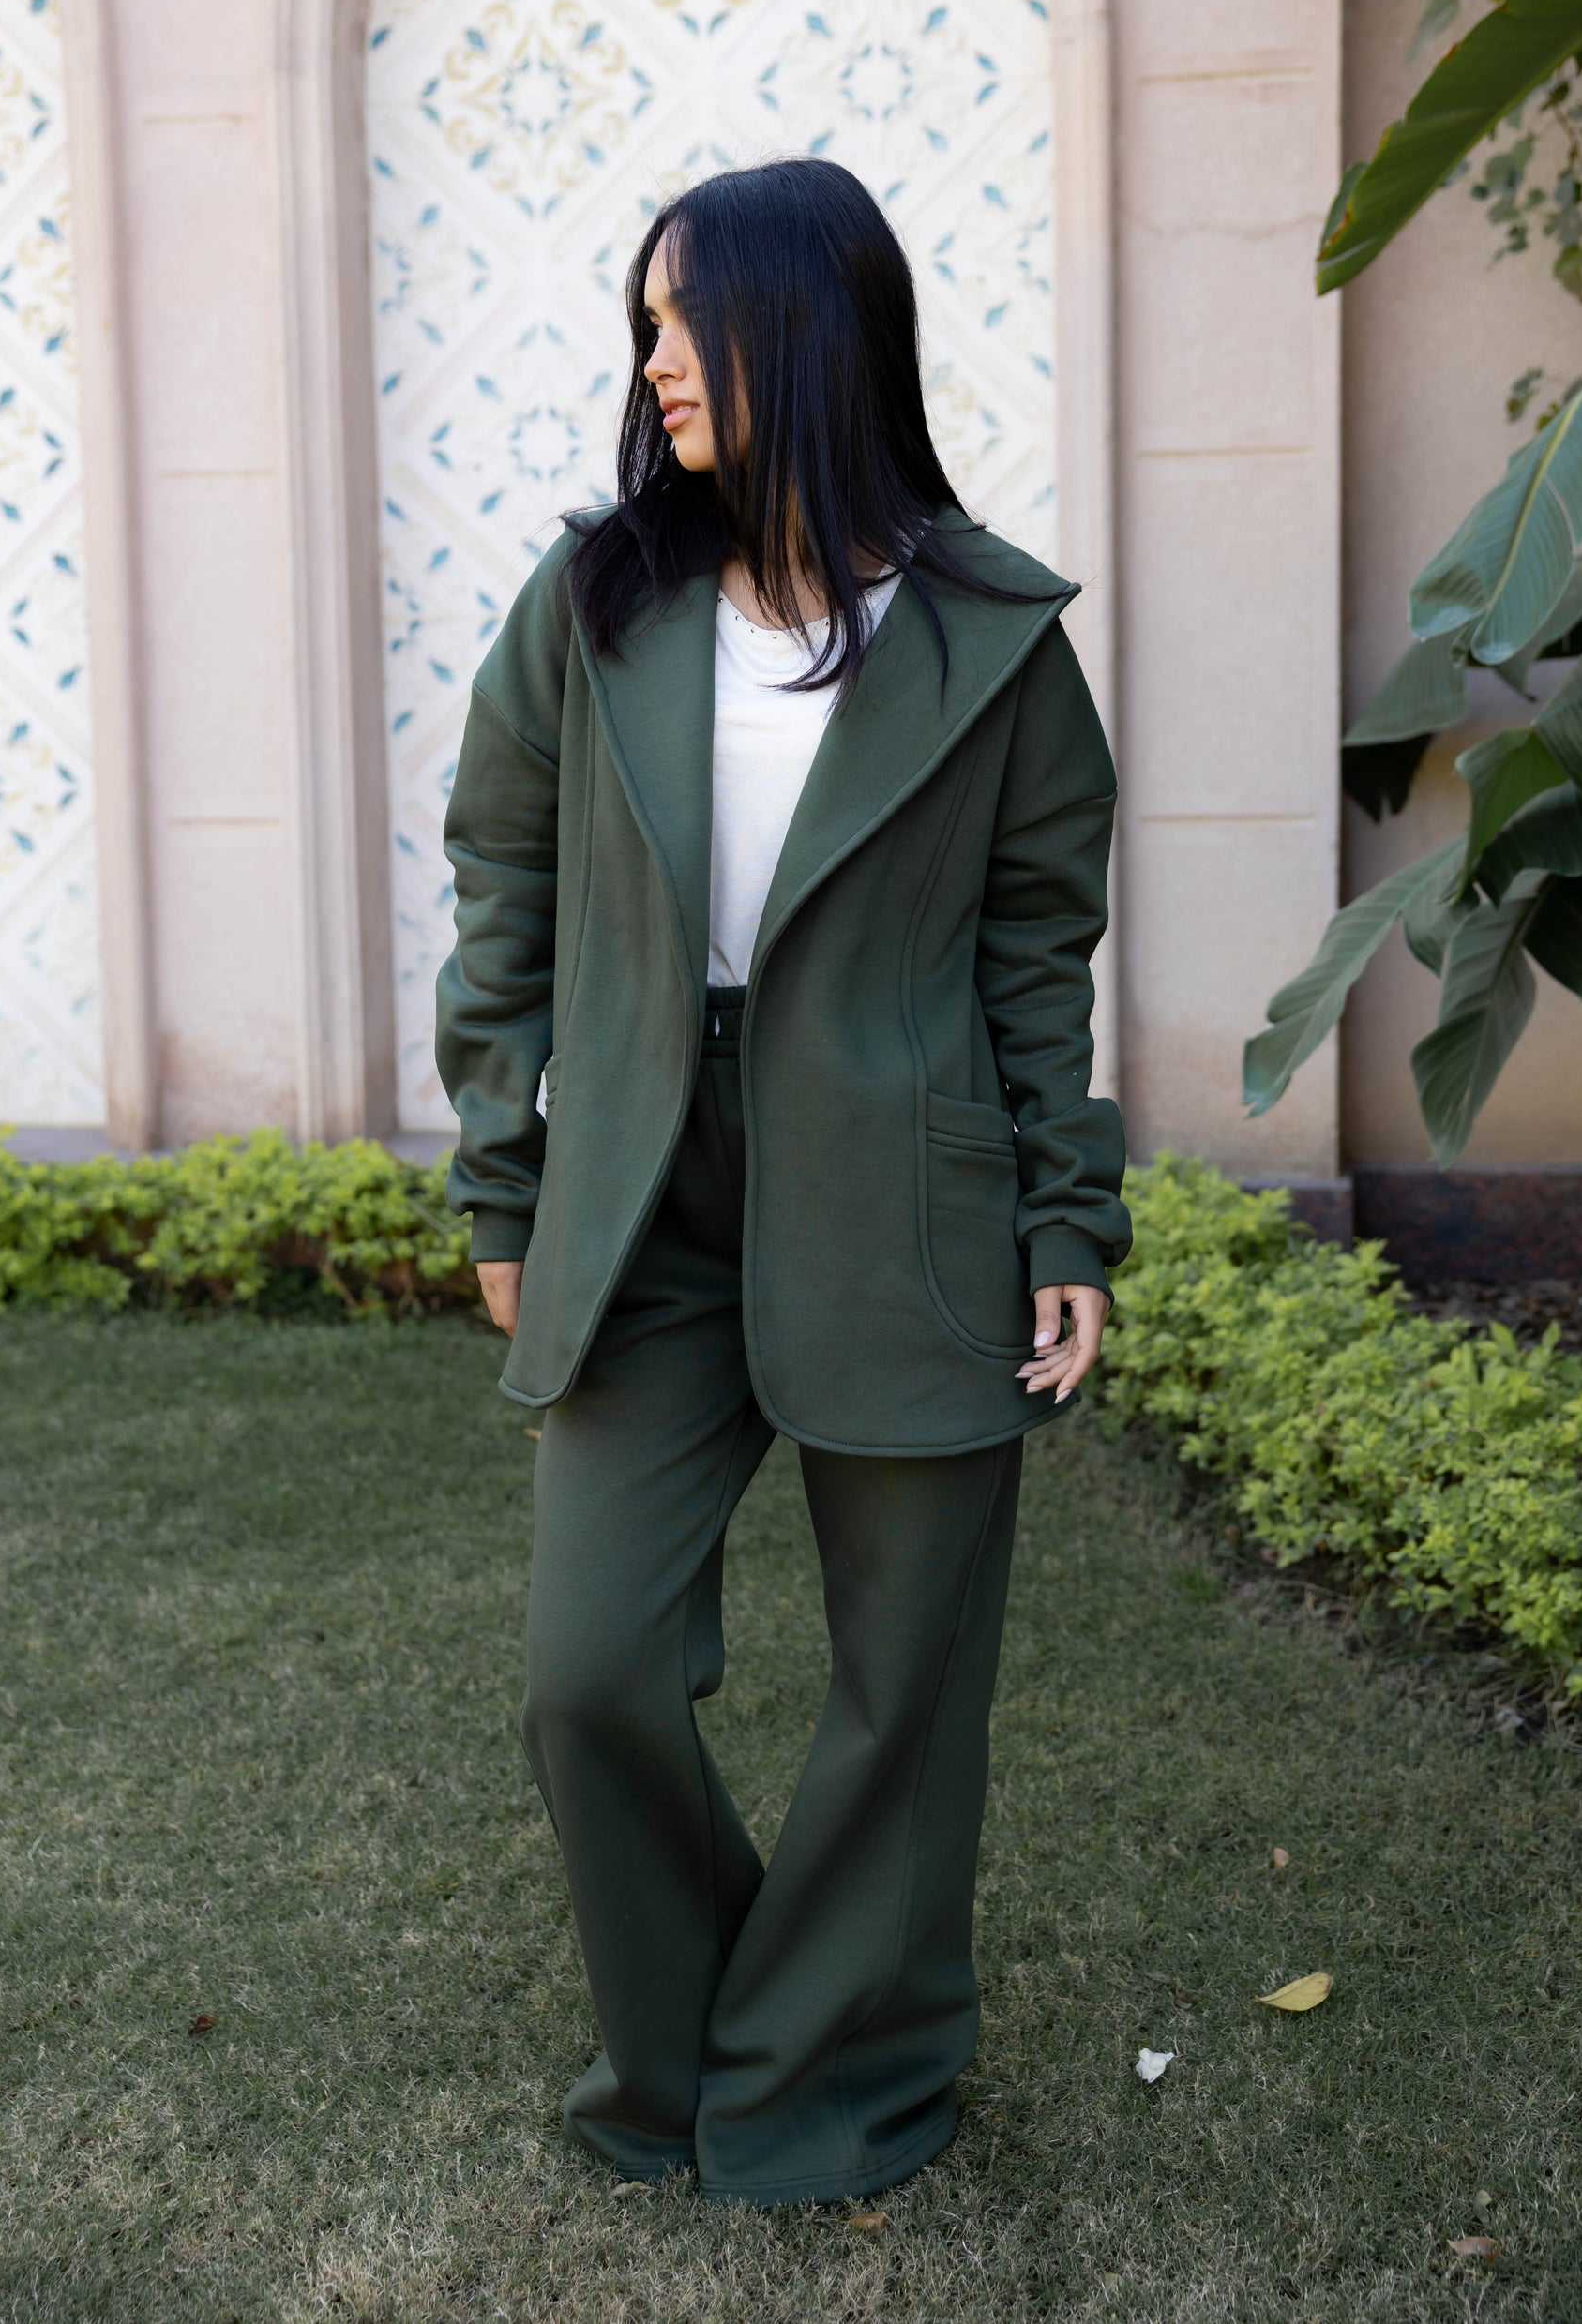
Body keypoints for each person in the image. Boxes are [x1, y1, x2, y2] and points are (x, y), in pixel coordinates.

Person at [436, 156, 1129, 2207]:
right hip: (641, 1183)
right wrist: (502, 1177)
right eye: (640, 327)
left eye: (685, 322)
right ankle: (690, 2056)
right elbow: (500, 891)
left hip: (907, 1190)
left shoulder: (993, 634)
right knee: (588, 1672)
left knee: (906, 1690)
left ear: (804, 330)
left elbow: (1036, 949)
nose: (652, 365)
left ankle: (831, 2081)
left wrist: (1065, 1214)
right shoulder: (595, 604)